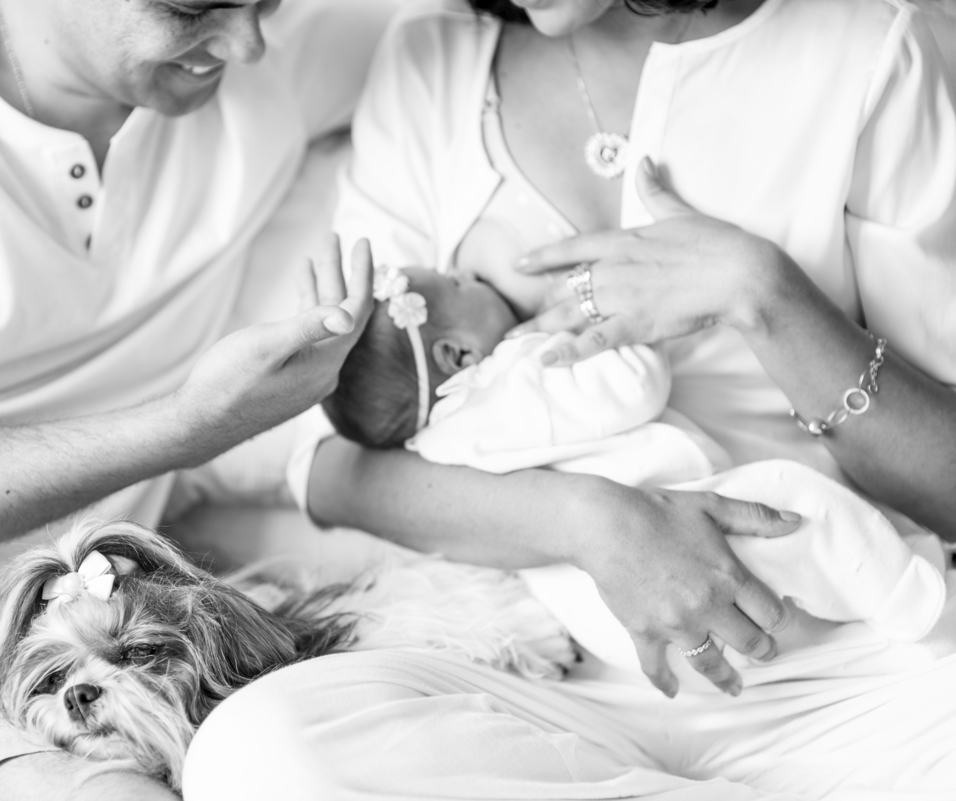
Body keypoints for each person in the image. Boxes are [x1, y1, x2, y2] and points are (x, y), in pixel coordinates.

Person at [182, 0, 956, 797]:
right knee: (257, 751)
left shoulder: (872, 48)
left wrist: (762, 293)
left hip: (847, 664)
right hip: (551, 680)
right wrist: (597, 525)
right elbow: (333, 467)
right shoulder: (433, 62)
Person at [0, 0, 406, 797]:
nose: (246, 43)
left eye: (263, 2)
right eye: (191, 9)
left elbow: (489, 50)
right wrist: (187, 427)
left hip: (29, 675)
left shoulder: (282, 52)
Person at [324, 263, 946, 662]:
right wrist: (616, 327)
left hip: (602, 616)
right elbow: (634, 388)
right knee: (794, 506)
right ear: (458, 355)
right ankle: (906, 597)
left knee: (782, 582)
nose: (468, 273)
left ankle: (864, 592)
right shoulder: (519, 373)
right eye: (458, 285)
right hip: (679, 527)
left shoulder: (434, 445)